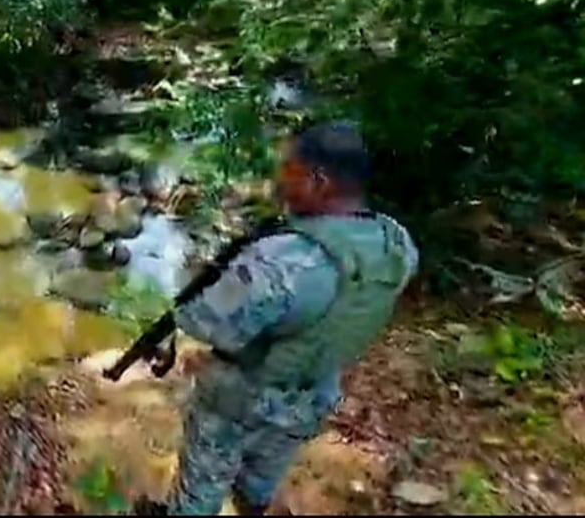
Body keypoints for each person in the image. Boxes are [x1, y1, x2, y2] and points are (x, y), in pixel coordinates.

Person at [162, 121, 419, 515]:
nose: (280, 178)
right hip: (315, 391)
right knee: (264, 475)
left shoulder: (281, 263)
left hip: (244, 398)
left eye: (289, 169)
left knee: (203, 482)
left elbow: (205, 323)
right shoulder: (395, 243)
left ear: (319, 181)